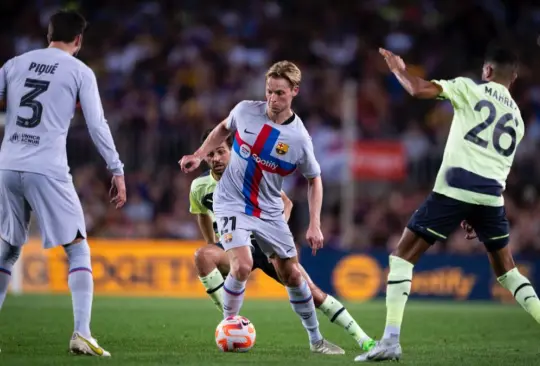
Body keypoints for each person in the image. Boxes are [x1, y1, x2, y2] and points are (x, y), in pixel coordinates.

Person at [354, 43, 540, 362]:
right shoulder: (518, 120)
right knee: (508, 271)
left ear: (488, 71)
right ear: (515, 78)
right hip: (491, 195)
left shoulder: (469, 88)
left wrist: (399, 68)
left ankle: (390, 341)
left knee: (401, 257)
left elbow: (417, 89)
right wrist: (475, 210)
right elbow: (496, 164)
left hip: (456, 187)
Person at [181, 60, 345, 354]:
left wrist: (315, 223)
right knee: (240, 265)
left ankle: (316, 340)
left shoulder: (299, 139)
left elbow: (314, 180)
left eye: (280, 93)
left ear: (295, 91)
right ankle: (229, 326)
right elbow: (222, 128)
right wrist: (198, 154)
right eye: (269, 91)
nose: (272, 98)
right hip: (232, 205)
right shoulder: (245, 110)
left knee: (293, 275)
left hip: (268, 211)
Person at [0, 10, 126, 357]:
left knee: (9, 249)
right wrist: (116, 168)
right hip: (47, 167)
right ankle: (82, 333)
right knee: (77, 248)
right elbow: (97, 125)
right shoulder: (79, 71)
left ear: (48, 35)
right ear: (79, 41)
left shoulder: (15, 63)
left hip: (8, 165)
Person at [190, 129, 375, 351]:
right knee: (203, 256)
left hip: (265, 243)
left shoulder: (251, 174)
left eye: (221, 152)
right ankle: (231, 323)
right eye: (210, 155)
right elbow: (201, 213)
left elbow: (286, 203)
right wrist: (214, 243)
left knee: (311, 292)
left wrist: (275, 230)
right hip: (236, 245)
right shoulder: (199, 186)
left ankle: (362, 338)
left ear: (232, 151)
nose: (216, 159)